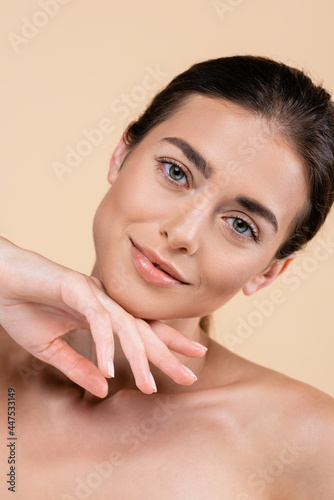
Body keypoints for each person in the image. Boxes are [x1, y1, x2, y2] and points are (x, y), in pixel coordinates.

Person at [1, 55, 334, 499]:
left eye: (240, 225)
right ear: (122, 155)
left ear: (268, 272)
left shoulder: (305, 440)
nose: (181, 233)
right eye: (176, 172)